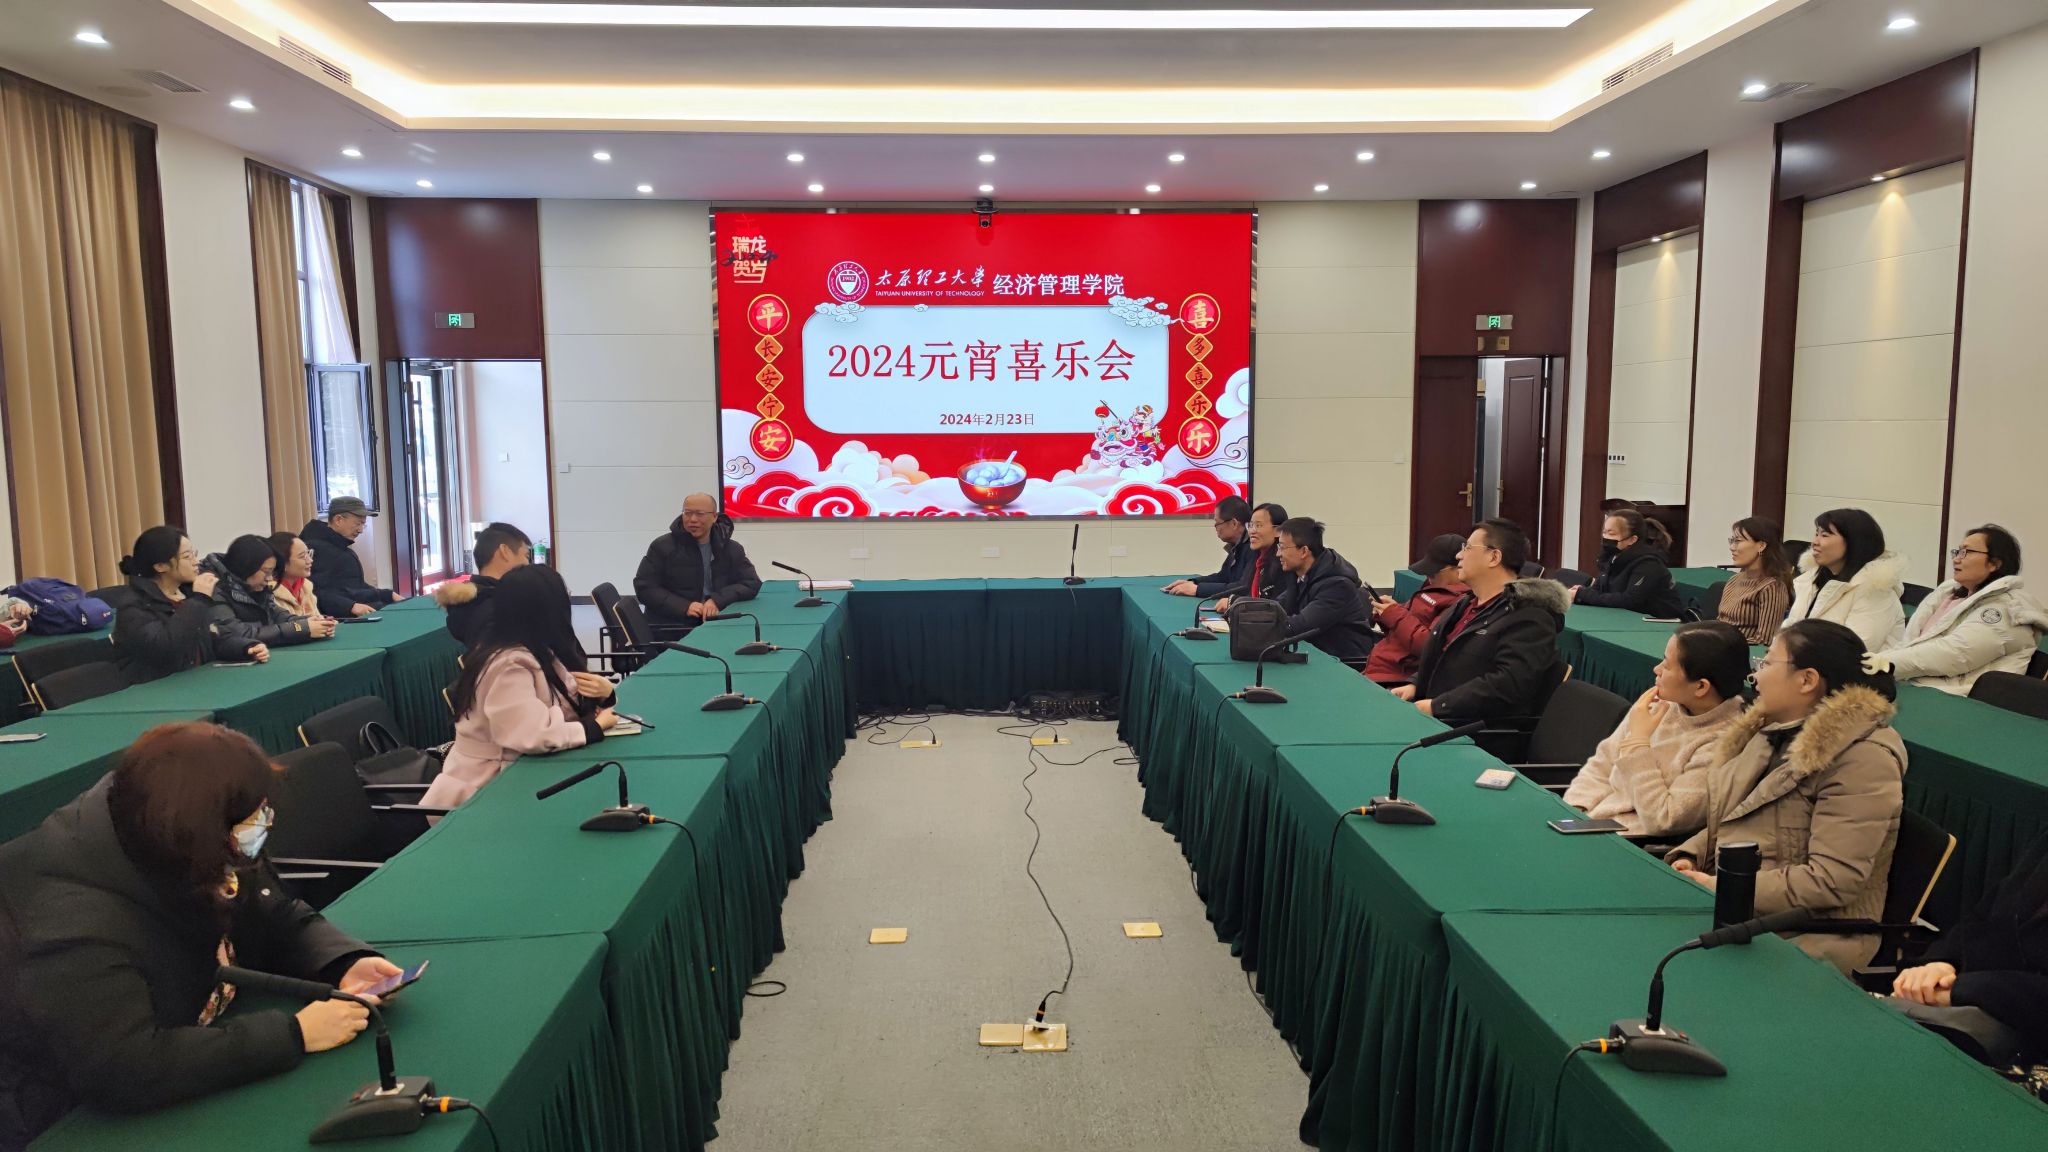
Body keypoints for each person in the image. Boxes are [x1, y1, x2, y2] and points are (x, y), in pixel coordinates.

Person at [0, 722, 404, 1146]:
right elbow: (124, 1067)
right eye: (252, 817)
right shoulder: (71, 924)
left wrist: (341, 960)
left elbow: (272, 911)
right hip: (62, 1124)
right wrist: (292, 1034)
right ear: (200, 830)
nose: (264, 823)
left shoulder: (185, 841)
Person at [1667, 619, 1907, 974]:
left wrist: (1724, 886)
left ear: (1807, 680)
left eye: (1766, 662)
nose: (1756, 676)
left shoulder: (1863, 760)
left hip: (1811, 934)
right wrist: (1691, 856)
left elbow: (1831, 881)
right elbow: (1736, 820)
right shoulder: (1772, 732)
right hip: (1741, 908)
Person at [422, 565, 618, 809]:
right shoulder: (507, 664)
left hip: (519, 775)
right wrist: (592, 728)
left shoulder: (536, 647)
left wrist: (604, 695)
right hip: (484, 792)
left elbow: (567, 705)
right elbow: (531, 736)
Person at [1562, 622, 1750, 836]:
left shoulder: (1724, 743)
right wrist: (1575, 811)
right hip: (1590, 825)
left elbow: (1664, 819)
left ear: (1701, 687)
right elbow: (1602, 764)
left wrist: (1639, 743)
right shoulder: (1662, 703)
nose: (1657, 669)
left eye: (1667, 666)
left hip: (1628, 840)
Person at [1891, 827, 2048, 1056]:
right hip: (1977, 1005)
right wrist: (1941, 964)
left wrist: (1960, 989)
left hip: (2019, 1035)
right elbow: (1986, 917)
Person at [1401, 518, 1568, 720]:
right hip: (1436, 712)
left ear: (1494, 557)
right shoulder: (1467, 603)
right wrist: (1415, 684)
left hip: (1468, 727)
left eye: (1467, 548)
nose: (1458, 555)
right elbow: (1444, 655)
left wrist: (1438, 706)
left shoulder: (1530, 617)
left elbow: (1508, 684)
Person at [1872, 525, 2047, 696]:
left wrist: (1882, 664)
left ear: (1994, 563)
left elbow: (1951, 655)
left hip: (1958, 699)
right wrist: (1877, 663)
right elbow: (1909, 644)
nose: (1956, 559)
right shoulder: (1950, 594)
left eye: (1967, 552)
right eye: (1958, 552)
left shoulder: (2006, 611)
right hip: (1916, 684)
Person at [112, 527, 228, 683]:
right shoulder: (134, 605)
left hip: (196, 681)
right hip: (156, 688)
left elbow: (212, 639)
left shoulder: (188, 593)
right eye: (187, 557)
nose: (196, 562)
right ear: (160, 566)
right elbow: (166, 648)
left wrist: (246, 647)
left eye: (194, 554)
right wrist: (199, 600)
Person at [633, 493, 761, 631]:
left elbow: (751, 583)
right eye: (687, 513)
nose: (693, 519)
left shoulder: (730, 548)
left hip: (718, 622)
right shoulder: (662, 547)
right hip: (674, 626)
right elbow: (645, 587)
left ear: (714, 517)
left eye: (700, 514)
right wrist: (684, 606)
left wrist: (717, 600)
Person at [1784, 508, 1906, 652]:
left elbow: (1853, 652)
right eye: (1816, 534)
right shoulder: (1812, 579)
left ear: (1854, 542)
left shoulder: (1876, 592)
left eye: (1824, 535)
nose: (1814, 542)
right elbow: (1789, 630)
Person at [200, 536, 333, 658]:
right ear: (247, 567)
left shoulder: (257, 587)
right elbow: (239, 634)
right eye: (266, 572)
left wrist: (311, 621)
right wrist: (301, 629)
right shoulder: (213, 588)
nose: (269, 579)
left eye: (272, 573)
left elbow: (278, 615)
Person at [1364, 534, 1469, 686]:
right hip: (1381, 668)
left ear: (1458, 568)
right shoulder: (1432, 587)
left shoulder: (1460, 602)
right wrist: (1388, 612)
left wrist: (1394, 614)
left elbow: (1427, 645)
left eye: (1433, 572)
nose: (1428, 576)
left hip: (1398, 678)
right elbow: (1405, 627)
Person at [1270, 517, 1376, 663]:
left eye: (1282, 547)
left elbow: (1300, 625)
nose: (1278, 554)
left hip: (1344, 663)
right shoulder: (1301, 574)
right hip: (1316, 654)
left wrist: (1257, 627)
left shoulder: (1337, 585)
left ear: (1304, 551)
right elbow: (1276, 606)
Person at [433, 522, 533, 648]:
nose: (528, 564)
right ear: (505, 551)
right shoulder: (497, 611)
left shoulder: (472, 603)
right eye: (526, 556)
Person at [1568, 509, 1682, 617]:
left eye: (1611, 534)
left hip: (1658, 622)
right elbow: (1600, 590)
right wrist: (1581, 592)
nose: (1605, 537)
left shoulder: (1649, 564)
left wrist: (1583, 595)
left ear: (1632, 539)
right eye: (1604, 532)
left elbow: (1630, 600)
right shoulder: (1612, 557)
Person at [300, 497, 398, 619]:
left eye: (363, 524)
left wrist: (387, 595)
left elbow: (354, 587)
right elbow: (312, 590)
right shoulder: (317, 549)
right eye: (358, 523)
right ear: (338, 520)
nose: (361, 530)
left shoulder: (341, 547)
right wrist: (350, 606)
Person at [1718, 517, 1796, 645]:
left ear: (1761, 546)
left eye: (1738, 541)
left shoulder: (1772, 587)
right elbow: (1720, 623)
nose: (1732, 547)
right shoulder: (1734, 579)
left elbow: (1764, 641)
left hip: (1743, 653)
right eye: (1732, 541)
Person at [1164, 496, 1252, 597]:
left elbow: (1243, 588)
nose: (1215, 527)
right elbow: (1223, 577)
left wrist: (1198, 590)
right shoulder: (1237, 545)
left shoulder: (1253, 547)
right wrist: (1193, 582)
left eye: (1218, 522)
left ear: (1234, 523)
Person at [1212, 501, 1289, 614]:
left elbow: (1275, 606)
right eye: (1251, 525)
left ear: (1278, 530)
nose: (1252, 531)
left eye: (1258, 525)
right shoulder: (1259, 558)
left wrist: (1234, 601)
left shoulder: (1284, 563)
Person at [265, 532, 321, 619]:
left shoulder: (305, 587)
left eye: (308, 553)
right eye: (302, 556)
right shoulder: (269, 593)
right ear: (282, 563)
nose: (310, 560)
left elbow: (317, 619)